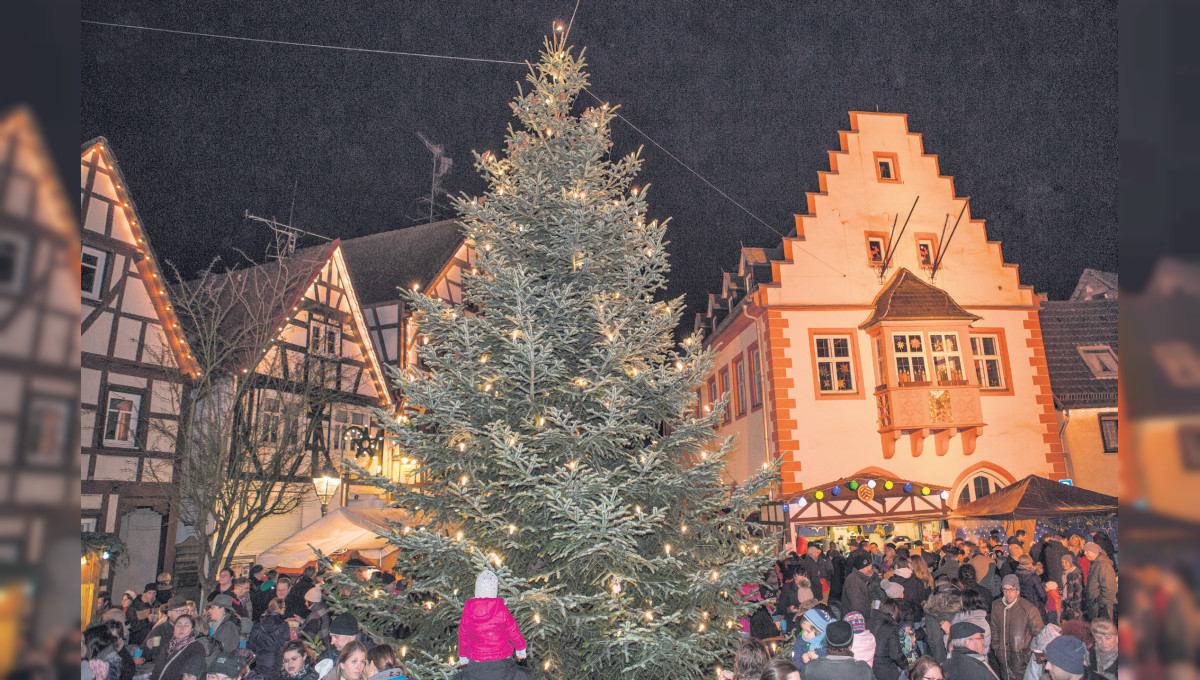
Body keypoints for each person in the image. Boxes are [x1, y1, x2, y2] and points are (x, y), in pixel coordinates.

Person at [456, 570, 528, 669]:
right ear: (495, 591)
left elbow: (463, 635)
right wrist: (520, 649)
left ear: (476, 590)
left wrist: (463, 656)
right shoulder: (501, 609)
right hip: (502, 658)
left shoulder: (469, 610)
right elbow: (513, 630)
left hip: (477, 660)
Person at [990, 574, 1043, 680]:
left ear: (1018, 591)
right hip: (1003, 659)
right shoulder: (996, 606)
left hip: (1021, 661)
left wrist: (1026, 654)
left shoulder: (1029, 609)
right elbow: (994, 629)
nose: (1007, 593)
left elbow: (1039, 635)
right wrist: (996, 648)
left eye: (1011, 589)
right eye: (1004, 589)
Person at [801, 620, 873, 680]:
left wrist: (808, 663)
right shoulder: (864, 670)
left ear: (827, 641)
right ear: (851, 643)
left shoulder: (811, 668)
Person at [149, 615, 213, 680]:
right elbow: (157, 668)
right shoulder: (167, 645)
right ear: (174, 628)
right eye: (179, 625)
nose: (182, 628)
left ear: (192, 629)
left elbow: (192, 674)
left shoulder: (196, 647)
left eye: (186, 625)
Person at [247, 598, 290, 680]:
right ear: (278, 609)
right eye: (284, 608)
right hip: (275, 661)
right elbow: (285, 644)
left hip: (258, 661)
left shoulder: (259, 624)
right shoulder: (284, 625)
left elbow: (250, 644)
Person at [144, 597, 192, 663]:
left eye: (185, 611)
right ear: (169, 613)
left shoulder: (192, 628)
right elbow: (145, 655)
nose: (183, 614)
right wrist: (148, 647)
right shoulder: (159, 630)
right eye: (179, 611)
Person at [922, 584, 962, 663]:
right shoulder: (958, 612)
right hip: (956, 656)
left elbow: (932, 639)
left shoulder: (931, 613)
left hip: (939, 657)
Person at [868, 600, 906, 680]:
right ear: (894, 614)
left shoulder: (869, 621)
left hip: (869, 667)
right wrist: (907, 666)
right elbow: (895, 654)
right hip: (886, 670)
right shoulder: (891, 627)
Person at [1082, 542, 1116, 621]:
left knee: (1104, 629)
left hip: (1102, 606)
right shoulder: (1095, 563)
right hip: (1096, 604)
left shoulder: (1103, 565)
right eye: (1084, 551)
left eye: (1087, 551)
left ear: (1095, 551)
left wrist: (1101, 602)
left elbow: (1109, 587)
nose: (1085, 553)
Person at [843, 554, 874, 620]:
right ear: (861, 568)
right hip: (855, 621)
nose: (870, 568)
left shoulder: (861, 579)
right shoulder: (854, 581)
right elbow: (856, 606)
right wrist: (861, 620)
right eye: (867, 566)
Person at [1059, 554, 1084, 621]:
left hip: (1073, 606)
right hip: (1065, 602)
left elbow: (1078, 591)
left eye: (1066, 562)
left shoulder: (1076, 574)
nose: (1064, 564)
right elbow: (1062, 587)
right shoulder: (1064, 574)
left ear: (1070, 562)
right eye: (1062, 562)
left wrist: (1072, 603)